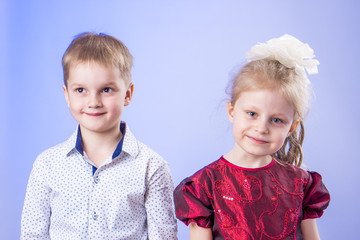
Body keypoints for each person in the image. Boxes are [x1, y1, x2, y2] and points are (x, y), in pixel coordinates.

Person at [21, 32, 178, 239]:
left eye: (106, 89)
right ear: (66, 95)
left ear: (127, 94)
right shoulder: (47, 165)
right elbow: (33, 235)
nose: (93, 102)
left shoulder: (151, 167)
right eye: (80, 90)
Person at [174, 34, 330, 240]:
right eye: (252, 114)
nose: (261, 128)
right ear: (232, 112)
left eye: (276, 120)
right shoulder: (204, 186)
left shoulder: (301, 183)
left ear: (291, 127)